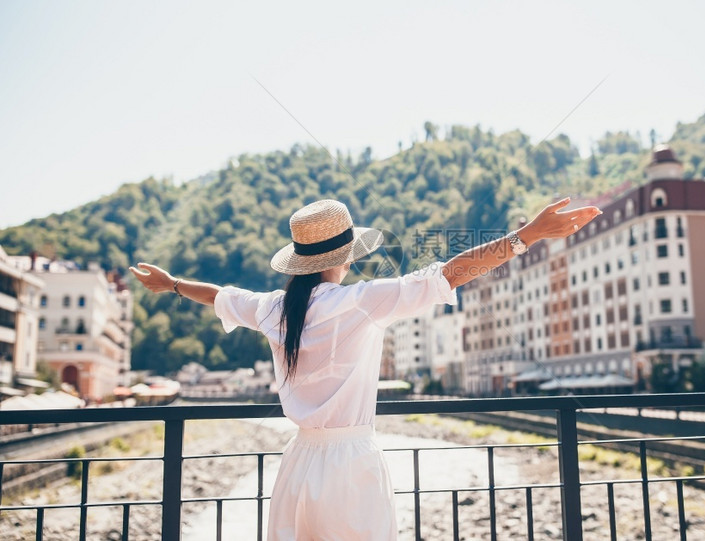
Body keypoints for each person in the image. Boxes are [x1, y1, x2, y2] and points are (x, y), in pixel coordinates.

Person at [130, 197, 601, 541]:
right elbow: (451, 273)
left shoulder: (275, 307)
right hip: (350, 460)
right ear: (346, 254)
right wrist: (528, 235)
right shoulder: (361, 301)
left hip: (299, 461)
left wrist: (171, 284)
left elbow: (219, 294)